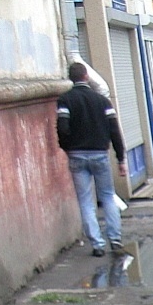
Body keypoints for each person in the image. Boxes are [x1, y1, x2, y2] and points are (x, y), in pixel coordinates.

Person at [56, 62, 127, 257]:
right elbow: (114, 131)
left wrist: (67, 146)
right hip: (100, 154)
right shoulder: (102, 102)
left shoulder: (65, 100)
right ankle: (115, 239)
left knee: (86, 201)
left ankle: (97, 244)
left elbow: (62, 127)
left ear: (71, 78)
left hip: (77, 155)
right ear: (87, 76)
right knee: (107, 196)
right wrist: (121, 158)